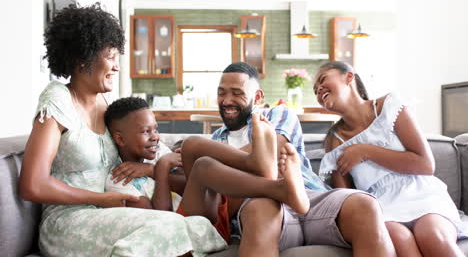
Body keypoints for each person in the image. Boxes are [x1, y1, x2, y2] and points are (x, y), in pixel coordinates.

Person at [18, 3, 226, 257]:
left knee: (198, 226)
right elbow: (32, 185)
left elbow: (137, 146)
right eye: (110, 57)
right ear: (81, 58)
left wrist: (153, 165)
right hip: (70, 221)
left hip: (112, 211)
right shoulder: (58, 99)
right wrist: (101, 199)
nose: (117, 67)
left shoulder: (106, 105)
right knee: (169, 226)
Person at [210, 62, 397, 256]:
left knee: (366, 205)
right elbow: (215, 193)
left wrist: (228, 161)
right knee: (259, 210)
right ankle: (278, 191)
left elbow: (274, 150)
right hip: (261, 202)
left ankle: (289, 189)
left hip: (310, 195)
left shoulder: (277, 114)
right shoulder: (215, 141)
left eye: (237, 93)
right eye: (221, 93)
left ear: (257, 97)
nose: (226, 101)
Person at [104, 97, 312, 244]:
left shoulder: (157, 152)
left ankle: (255, 163)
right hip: (186, 230)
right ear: (120, 139)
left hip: (204, 209)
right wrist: (161, 168)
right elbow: (162, 220)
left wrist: (152, 169)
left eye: (156, 129)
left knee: (193, 146)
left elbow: (190, 183)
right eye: (145, 131)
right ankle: (276, 185)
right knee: (202, 166)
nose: (155, 136)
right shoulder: (119, 181)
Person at [315, 61, 464, 256]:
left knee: (433, 236)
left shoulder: (390, 106)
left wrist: (365, 151)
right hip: (381, 207)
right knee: (400, 241)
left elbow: (426, 164)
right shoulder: (334, 140)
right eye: (315, 90)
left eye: (323, 79)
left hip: (421, 194)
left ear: (349, 77)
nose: (318, 89)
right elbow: (346, 198)